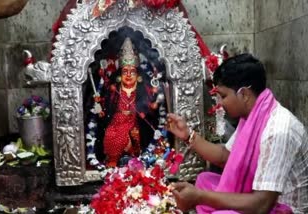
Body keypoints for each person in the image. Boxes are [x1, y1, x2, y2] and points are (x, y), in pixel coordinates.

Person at [167, 53, 308, 213]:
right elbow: (225, 157)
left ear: (244, 94)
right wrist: (187, 134)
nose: (220, 103)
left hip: (281, 208)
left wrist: (200, 197)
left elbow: (262, 204)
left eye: (223, 96)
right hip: (260, 197)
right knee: (204, 180)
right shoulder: (253, 115)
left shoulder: (278, 130)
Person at [102, 37, 158, 167]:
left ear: (137, 75)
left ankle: (135, 160)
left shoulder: (142, 89)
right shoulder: (114, 90)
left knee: (134, 135)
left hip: (133, 120)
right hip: (116, 121)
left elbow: (148, 106)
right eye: (125, 72)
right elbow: (107, 106)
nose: (128, 75)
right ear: (120, 75)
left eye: (132, 72)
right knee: (110, 134)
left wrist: (151, 106)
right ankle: (113, 162)